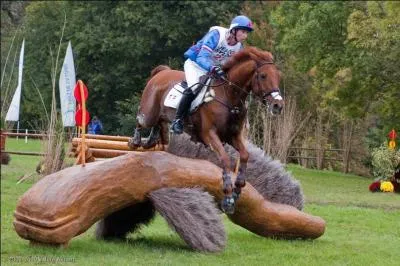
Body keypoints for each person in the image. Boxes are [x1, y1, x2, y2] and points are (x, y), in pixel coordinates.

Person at [170, 15, 254, 134]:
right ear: (234, 30)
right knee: (195, 87)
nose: (245, 36)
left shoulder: (239, 47)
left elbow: (234, 67)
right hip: (196, 65)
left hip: (213, 70)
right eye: (243, 32)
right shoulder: (216, 35)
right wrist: (213, 68)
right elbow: (201, 57)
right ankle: (177, 120)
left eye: (247, 33)